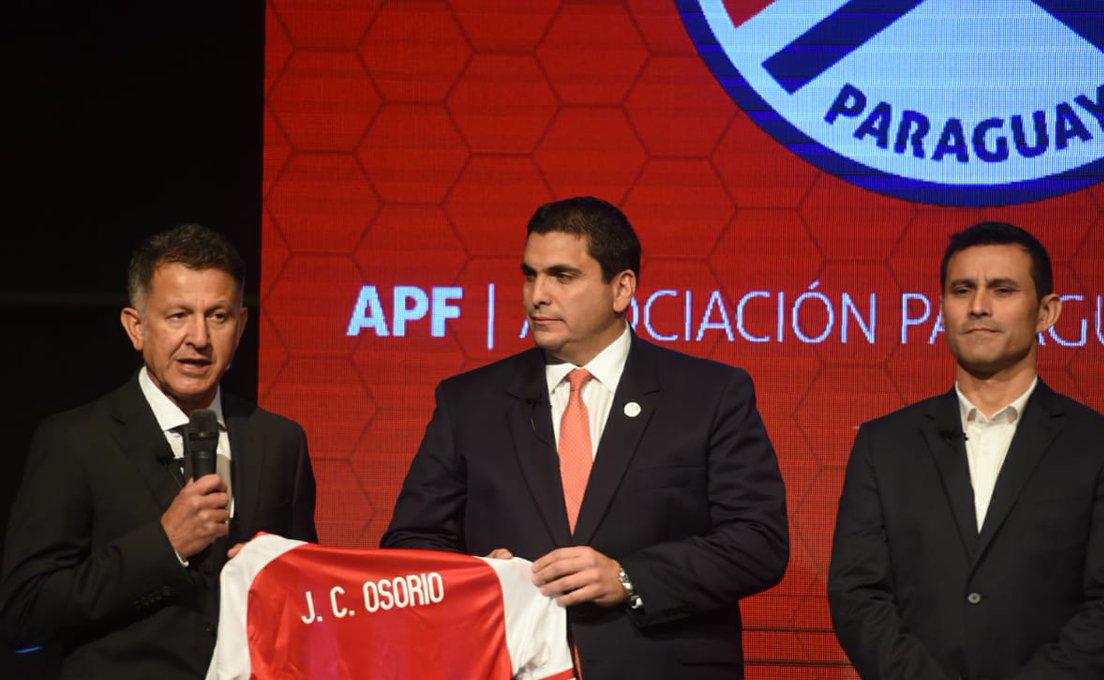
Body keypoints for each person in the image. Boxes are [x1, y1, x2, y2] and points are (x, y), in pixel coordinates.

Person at [381, 196, 789, 679]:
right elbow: (410, 541)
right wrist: (476, 577)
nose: (538, 295)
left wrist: (628, 577)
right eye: (530, 275)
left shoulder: (710, 395)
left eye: (562, 276)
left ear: (621, 289)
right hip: (506, 664)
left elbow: (757, 542)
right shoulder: (469, 402)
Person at [828, 222, 1104, 679]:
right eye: (962, 290)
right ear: (943, 306)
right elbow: (858, 595)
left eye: (1002, 290)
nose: (978, 306)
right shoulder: (883, 444)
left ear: (1046, 312)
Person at [1, 224, 318, 679]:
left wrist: (275, 579)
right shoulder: (75, 441)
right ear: (136, 327)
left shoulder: (280, 440)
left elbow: (306, 601)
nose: (200, 338)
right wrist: (164, 546)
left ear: (242, 326)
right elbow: (24, 611)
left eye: (218, 316)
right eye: (177, 316)